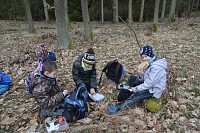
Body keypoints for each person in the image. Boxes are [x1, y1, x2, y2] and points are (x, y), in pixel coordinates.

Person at [107, 45, 168, 114]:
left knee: (136, 96)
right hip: (149, 85)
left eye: (146, 56)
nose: (144, 59)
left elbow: (150, 83)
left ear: (150, 54)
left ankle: (117, 107)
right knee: (132, 79)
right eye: (143, 57)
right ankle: (128, 91)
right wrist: (141, 74)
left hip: (154, 90)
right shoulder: (151, 62)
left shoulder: (156, 67)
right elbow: (147, 78)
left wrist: (137, 88)